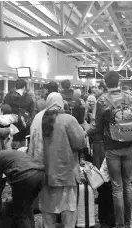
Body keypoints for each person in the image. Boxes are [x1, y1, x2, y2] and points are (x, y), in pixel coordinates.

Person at [27, 92, 86, 228]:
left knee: (47, 208)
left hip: (44, 171)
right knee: (68, 207)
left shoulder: (38, 118)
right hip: (66, 172)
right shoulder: (68, 119)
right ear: (61, 103)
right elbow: (79, 143)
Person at [87, 71, 132, 228]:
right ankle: (128, 222)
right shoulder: (129, 98)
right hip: (130, 145)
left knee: (117, 186)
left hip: (112, 147)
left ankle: (120, 224)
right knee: (128, 184)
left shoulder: (102, 100)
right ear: (119, 81)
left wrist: (84, 130)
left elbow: (97, 126)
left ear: (105, 83)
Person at [0, 149, 45, 228]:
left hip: (25, 176)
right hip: (40, 174)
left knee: (20, 212)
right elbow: (1, 181)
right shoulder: (9, 154)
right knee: (27, 206)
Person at [4, 79, 36, 148]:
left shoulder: (7, 97)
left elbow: (4, 111)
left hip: (10, 128)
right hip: (24, 128)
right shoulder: (28, 98)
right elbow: (32, 113)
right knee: (22, 149)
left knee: (9, 149)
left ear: (15, 87)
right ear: (24, 87)